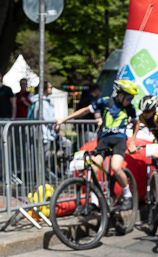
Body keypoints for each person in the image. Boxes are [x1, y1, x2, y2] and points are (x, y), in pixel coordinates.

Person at [55, 79, 140, 210]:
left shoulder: (130, 108)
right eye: (129, 98)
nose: (131, 101)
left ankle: (127, 195)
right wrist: (64, 119)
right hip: (104, 140)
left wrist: (133, 141)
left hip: (119, 140)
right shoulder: (105, 101)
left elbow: (136, 123)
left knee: (116, 167)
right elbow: (84, 111)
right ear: (120, 94)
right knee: (93, 170)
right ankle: (95, 201)